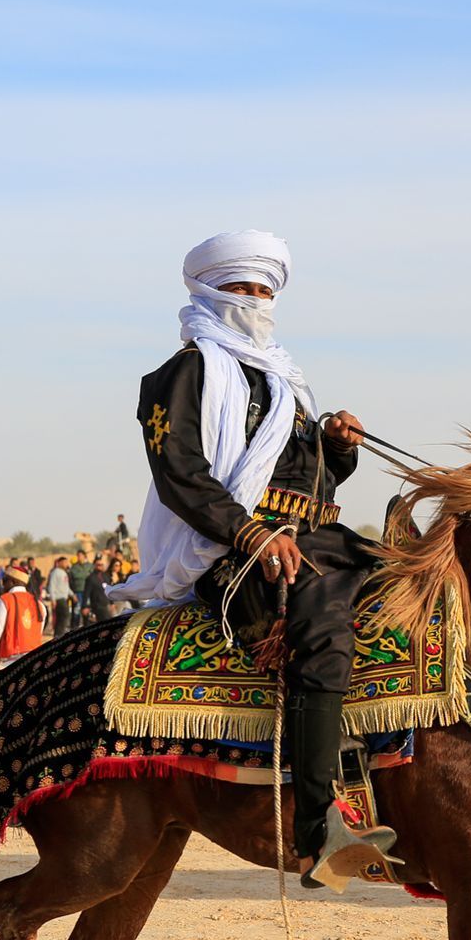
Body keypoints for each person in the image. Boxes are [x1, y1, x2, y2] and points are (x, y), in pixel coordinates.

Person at [108, 230, 391, 889]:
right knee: (322, 632)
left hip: (312, 538)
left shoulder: (285, 380)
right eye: (242, 288)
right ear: (209, 290)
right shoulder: (182, 375)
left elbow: (304, 482)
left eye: (265, 290)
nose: (256, 301)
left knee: (425, 593)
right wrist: (253, 536)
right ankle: (319, 831)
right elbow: (180, 473)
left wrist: (334, 448)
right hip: (231, 551)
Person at [0, 562, 44, 663]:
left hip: (9, 662)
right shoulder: (39, 604)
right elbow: (38, 632)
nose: (2, 584)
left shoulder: (5, 601)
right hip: (34, 660)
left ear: (12, 582)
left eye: (4, 581)